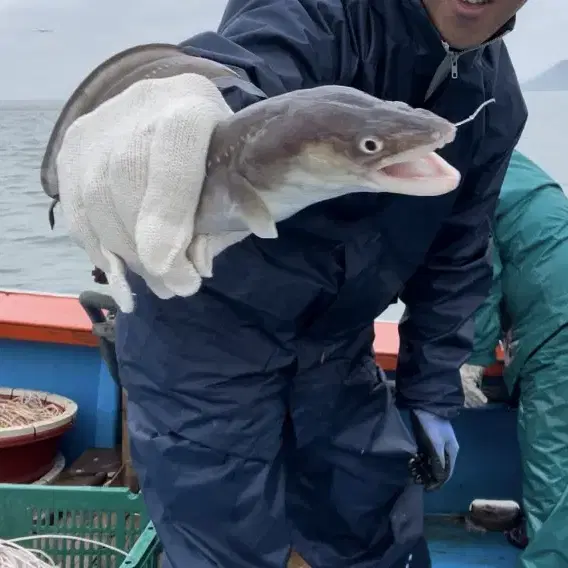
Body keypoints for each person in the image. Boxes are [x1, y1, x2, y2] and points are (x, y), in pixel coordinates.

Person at [53, 0, 529, 566]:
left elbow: (457, 255)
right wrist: (174, 99)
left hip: (334, 343)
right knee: (221, 546)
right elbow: (242, 68)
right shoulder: (318, 11)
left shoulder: (496, 98)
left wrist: (431, 391)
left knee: (374, 533)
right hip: (201, 335)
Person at [462, 150, 568, 568]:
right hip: (555, 306)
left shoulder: (463, 177)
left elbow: (476, 276)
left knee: (551, 454)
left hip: (556, 321)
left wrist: (470, 358)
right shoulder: (503, 158)